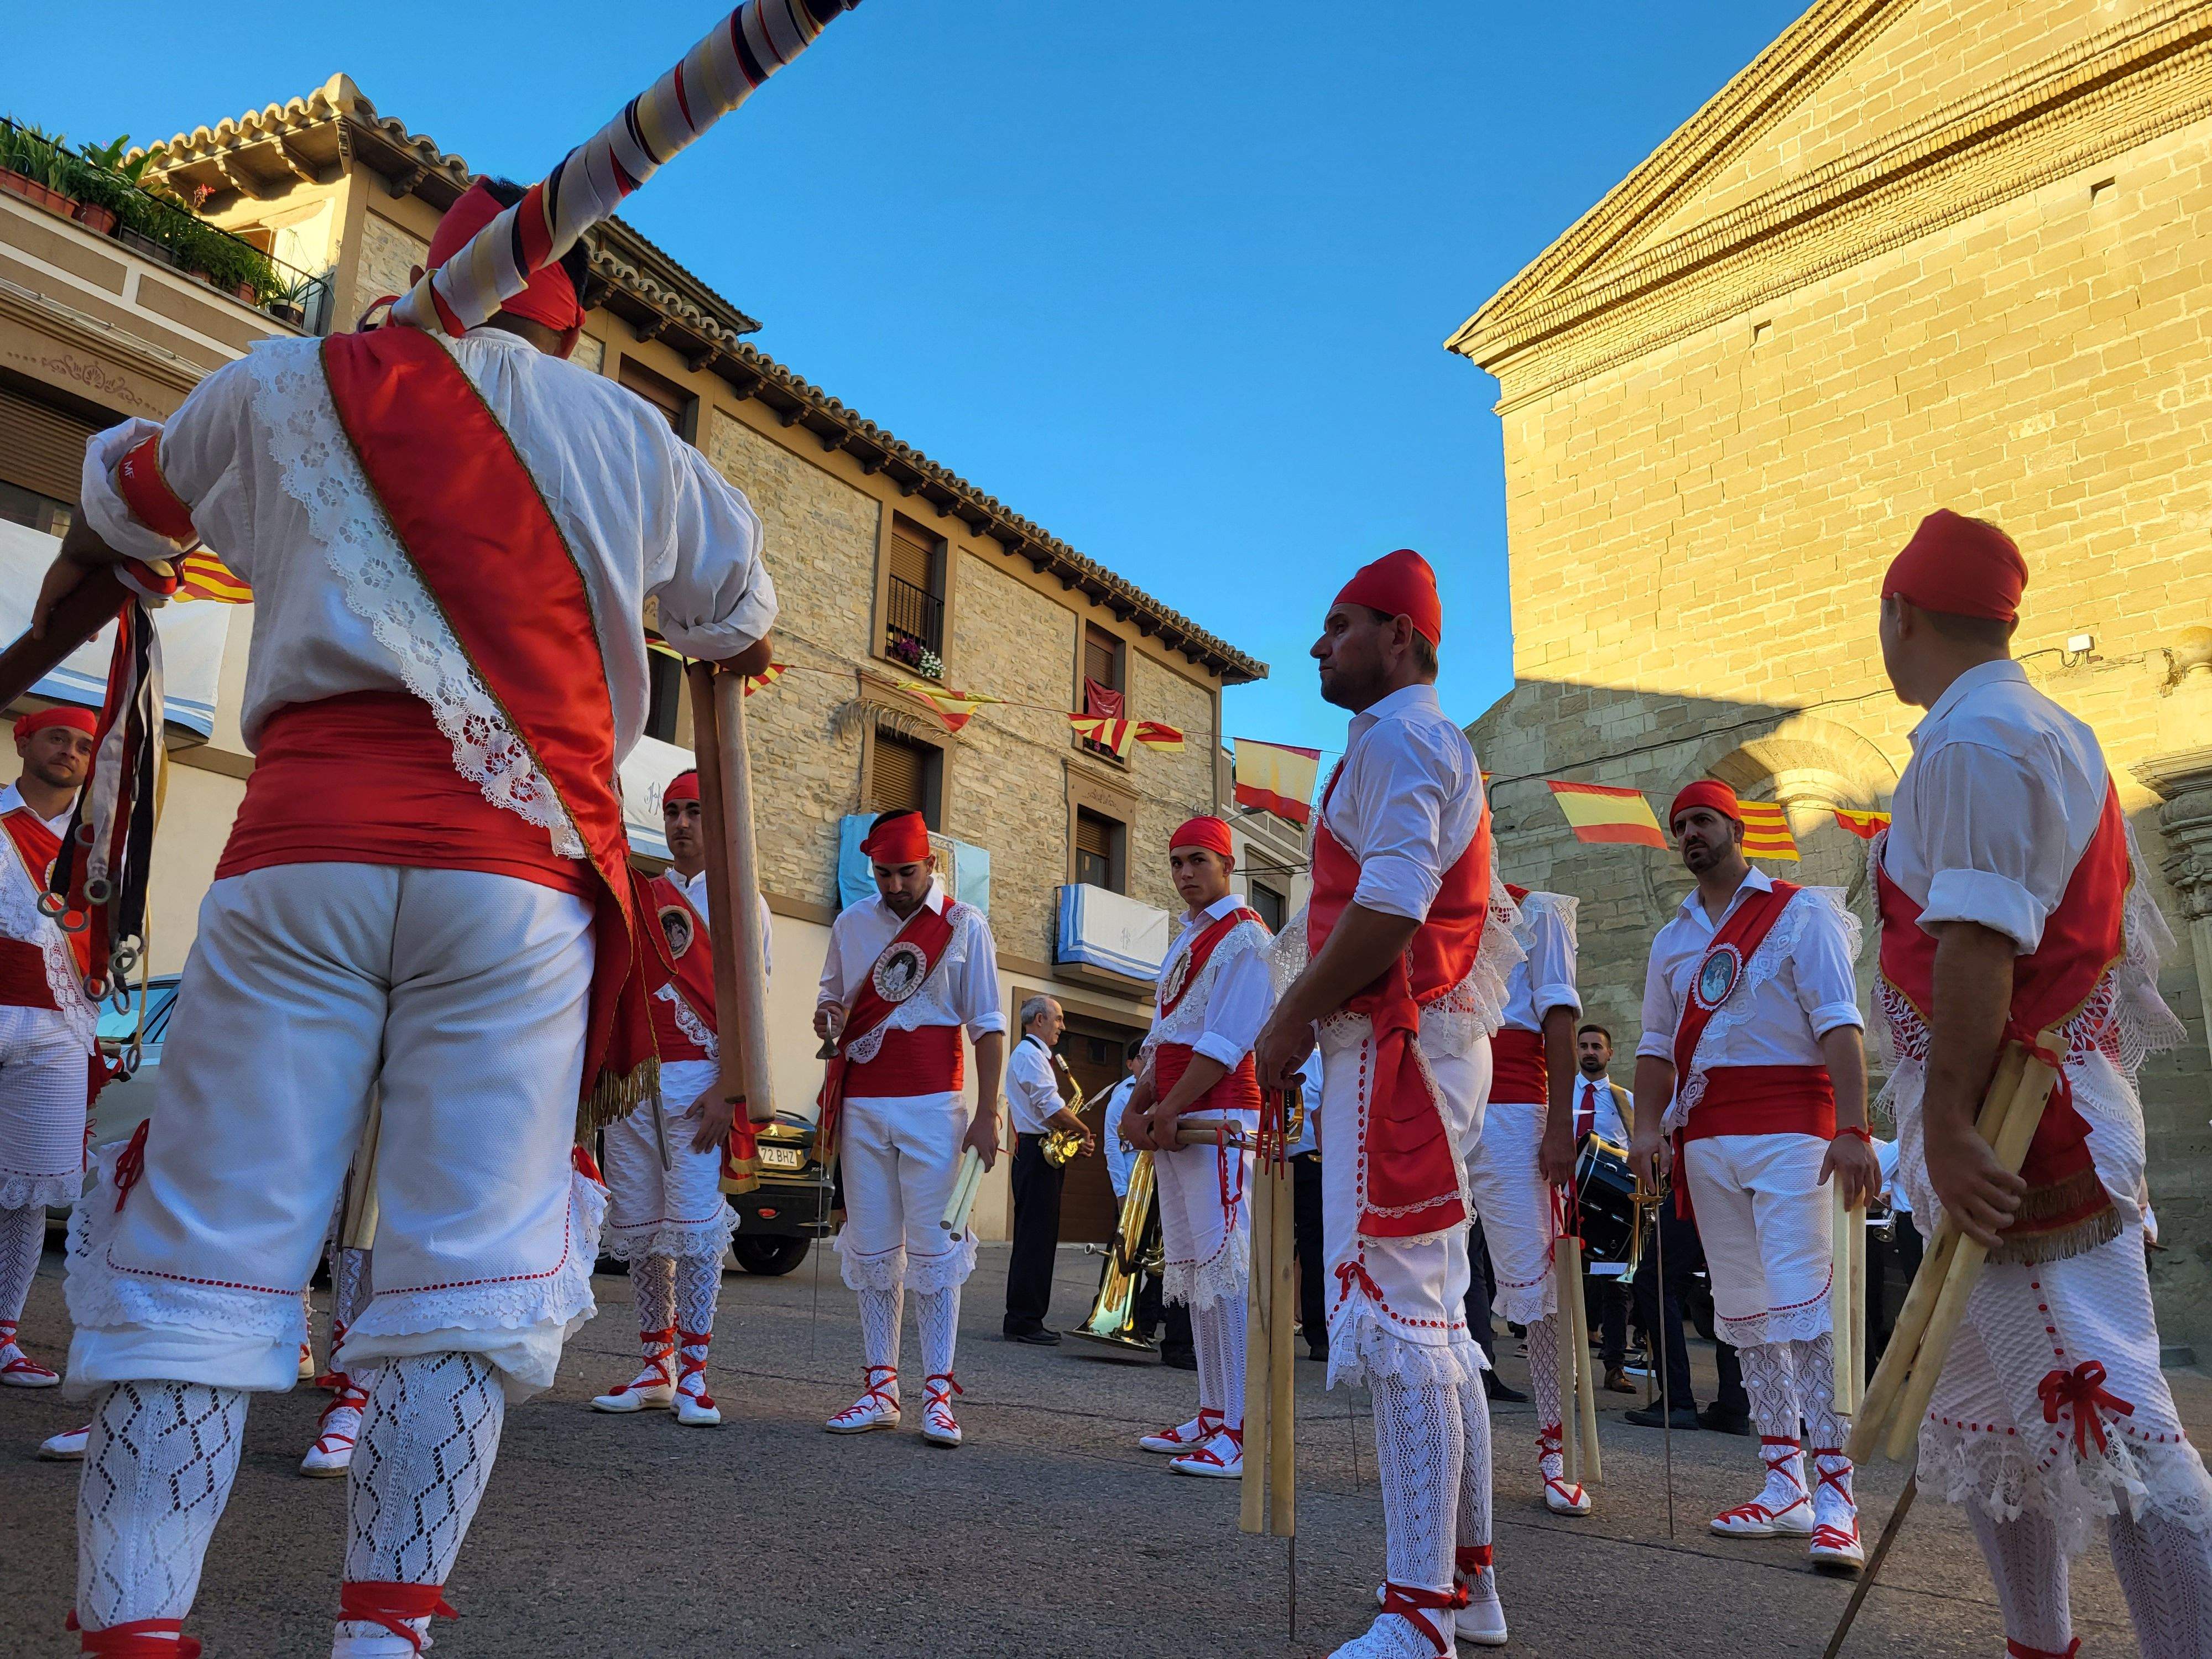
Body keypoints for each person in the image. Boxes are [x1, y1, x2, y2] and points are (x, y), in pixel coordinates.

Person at [46, 174, 776, 1653]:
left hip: (298, 857)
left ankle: (133, 1633)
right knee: (464, 1273)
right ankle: (382, 1638)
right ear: (566, 328)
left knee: (206, 1257)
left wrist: (51, 621)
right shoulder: (634, 437)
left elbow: (116, 509)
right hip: (516, 891)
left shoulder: (284, 383)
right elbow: (737, 618)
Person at [1873, 509, 2210, 1658]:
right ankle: (2035, 1644)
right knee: (1992, 1428)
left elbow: (1977, 944)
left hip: (2019, 1125)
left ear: (1899, 614)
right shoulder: (2039, 727)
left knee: (2119, 1437)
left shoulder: (1976, 740)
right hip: (2024, 1106)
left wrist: (1944, 1122)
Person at [1252, 549, 1519, 1655]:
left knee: (1402, 1316)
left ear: (1399, 638)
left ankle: (1419, 1617)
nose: (1318, 647)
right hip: (1420, 1042)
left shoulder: (1403, 739)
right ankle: (1466, 1586)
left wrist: (1288, 1020)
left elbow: (1393, 903)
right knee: (1438, 1320)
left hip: (1396, 1045)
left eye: (1340, 625)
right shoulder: (1417, 741)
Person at [1628, 779, 1879, 1573]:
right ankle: (1782, 1484)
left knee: (1807, 1306)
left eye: (1703, 820)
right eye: (1679, 826)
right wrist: (1645, 1129)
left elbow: (1839, 1023)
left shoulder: (1800, 913)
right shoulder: (1671, 939)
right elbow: (1655, 1044)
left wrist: (1852, 1129)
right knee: (1746, 1309)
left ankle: (1837, 1498)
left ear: (1738, 827)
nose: (1689, 834)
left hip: (1794, 1130)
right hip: (1707, 1139)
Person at [815, 808, 1005, 1445]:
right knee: (872, 1249)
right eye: (883, 874)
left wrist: (987, 1112)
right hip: (863, 1106)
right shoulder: (851, 923)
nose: (894, 886)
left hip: (934, 1106)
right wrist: (828, 1016)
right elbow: (831, 998)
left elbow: (987, 1025)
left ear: (931, 864)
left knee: (935, 1252)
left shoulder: (963, 925)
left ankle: (938, 1397)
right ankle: (880, 1390)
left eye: (906, 873)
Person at [590, 770, 770, 1427]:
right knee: (643, 1230)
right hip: (637, 1084)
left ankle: (695, 1373)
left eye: (694, 811)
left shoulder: (742, 899)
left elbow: (752, 1004)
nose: (682, 824)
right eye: (672, 812)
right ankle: (655, 1367)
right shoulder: (645, 893)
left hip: (701, 1088)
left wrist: (730, 1090)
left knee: (693, 1233)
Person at [1120, 816, 1272, 1479]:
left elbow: (1227, 1040)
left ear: (1227, 865)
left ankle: (1240, 1428)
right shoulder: (1185, 939)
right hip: (1181, 1117)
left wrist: (1166, 1108)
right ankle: (1213, 1412)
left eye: (1198, 861)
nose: (1185, 873)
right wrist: (1139, 1105)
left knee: (1224, 1270)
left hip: (1221, 1116)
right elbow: (1163, 1037)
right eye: (1177, 861)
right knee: (1195, 1268)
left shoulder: (1246, 936)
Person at [1464, 884, 1587, 1515]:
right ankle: (1440, 1442)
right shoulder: (1425, 903)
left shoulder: (1536, 911)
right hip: (1439, 1100)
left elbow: (1559, 1019)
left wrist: (1559, 1124)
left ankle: (1556, 1452)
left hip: (1514, 1110)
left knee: (1539, 1284)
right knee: (1425, 1272)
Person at [0, 705, 97, 1390]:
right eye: (57, 737)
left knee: (28, 1192)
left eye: (84, 746)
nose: (69, 751)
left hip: (59, 1026)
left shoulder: (99, 846)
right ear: (25, 743)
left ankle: (3, 1336)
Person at [1002, 995, 1093, 1344]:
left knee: (1039, 1238)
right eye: (1058, 1019)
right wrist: (1082, 1130)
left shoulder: (1035, 1055)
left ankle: (1026, 1317)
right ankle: (1024, 1321)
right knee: (1035, 1240)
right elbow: (1050, 1107)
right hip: (1035, 1154)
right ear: (1039, 1019)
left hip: (1038, 1150)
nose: (1062, 1026)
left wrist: (1071, 1138)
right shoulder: (1030, 1055)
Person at [1569, 1025, 1637, 1395]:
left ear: (1610, 1053)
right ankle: (1568, 1370)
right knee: (1565, 1284)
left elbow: (1639, 1149)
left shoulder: (1625, 1100)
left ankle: (1615, 1367)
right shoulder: (1560, 1095)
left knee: (1616, 1287)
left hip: (1611, 1207)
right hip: (1565, 1200)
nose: (1590, 1051)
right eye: (1584, 1046)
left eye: (1597, 1046)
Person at [1290, 1048, 1326, 1363]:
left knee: (1314, 1252)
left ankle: (1319, 1335)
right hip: (1267, 1161)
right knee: (1264, 1248)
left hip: (1311, 1164)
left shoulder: (1318, 1061)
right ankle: (1262, 1330)